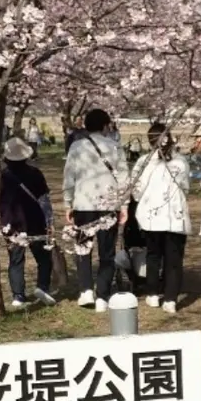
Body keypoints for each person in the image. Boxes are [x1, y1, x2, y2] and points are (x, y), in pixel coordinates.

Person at [63, 108, 129, 311]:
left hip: (83, 203)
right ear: (104, 125)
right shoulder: (115, 146)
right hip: (108, 205)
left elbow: (69, 177)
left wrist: (68, 202)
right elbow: (124, 178)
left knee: (83, 247)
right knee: (106, 251)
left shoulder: (76, 147)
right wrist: (124, 205)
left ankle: (85, 291)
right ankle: (102, 295)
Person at [131, 122, 191, 314]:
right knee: (174, 259)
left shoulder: (143, 162)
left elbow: (136, 191)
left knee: (153, 256)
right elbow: (186, 188)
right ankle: (171, 299)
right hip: (175, 216)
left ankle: (153, 294)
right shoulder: (181, 162)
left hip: (151, 217)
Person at [0, 137, 57, 308]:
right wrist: (50, 221)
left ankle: (18, 295)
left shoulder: (2, 177)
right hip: (35, 220)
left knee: (16, 259)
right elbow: (44, 200)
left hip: (11, 222)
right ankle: (42, 287)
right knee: (43, 257)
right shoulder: (35, 173)